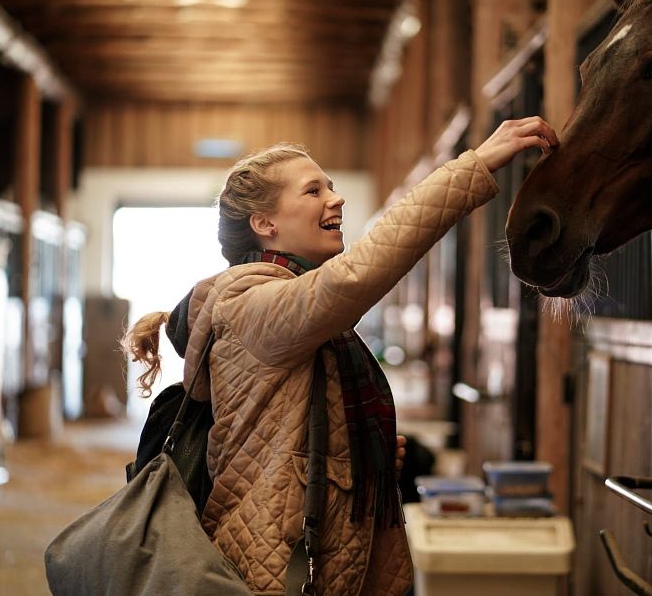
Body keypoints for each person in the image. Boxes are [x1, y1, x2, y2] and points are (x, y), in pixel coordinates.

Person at [122, 116, 557, 596]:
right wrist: (474, 165)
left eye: (330, 186)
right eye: (313, 191)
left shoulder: (289, 306)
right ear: (265, 225)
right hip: (280, 561)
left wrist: (354, 451)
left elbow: (286, 429)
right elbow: (357, 273)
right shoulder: (253, 307)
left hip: (315, 547)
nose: (337, 198)